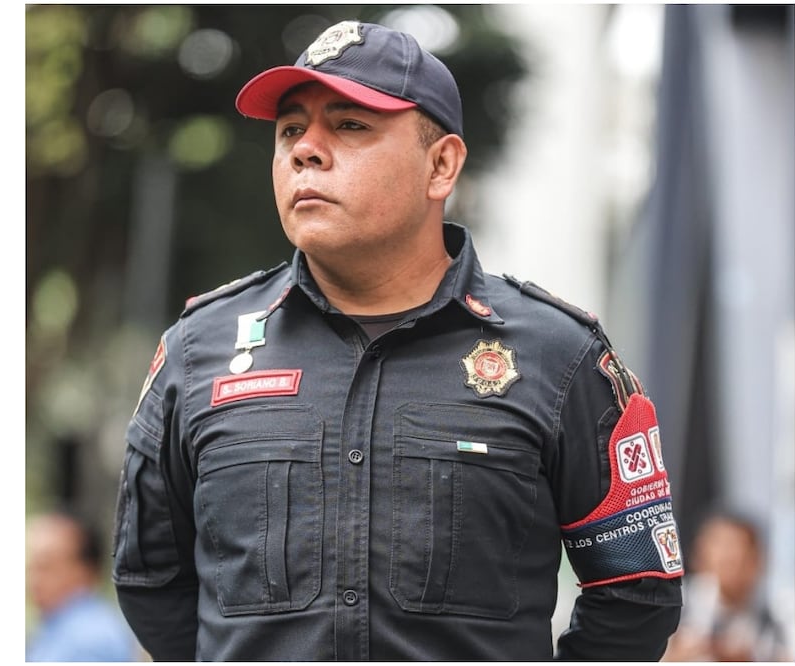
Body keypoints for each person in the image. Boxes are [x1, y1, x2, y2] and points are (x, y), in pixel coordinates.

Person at [111, 19, 684, 661]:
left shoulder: (558, 355)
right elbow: (150, 581)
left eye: (350, 125)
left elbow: (637, 595)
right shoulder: (199, 350)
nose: (306, 150)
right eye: (291, 130)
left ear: (441, 165)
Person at [662, 510, 793, 662]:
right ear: (700, 555)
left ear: (758, 562)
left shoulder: (773, 620)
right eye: (721, 547)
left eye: (737, 550)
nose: (729, 556)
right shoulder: (673, 605)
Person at [26, 510, 139, 662]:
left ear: (85, 569)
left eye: (46, 566)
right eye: (32, 566)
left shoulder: (91, 639)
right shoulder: (56, 626)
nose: (34, 578)